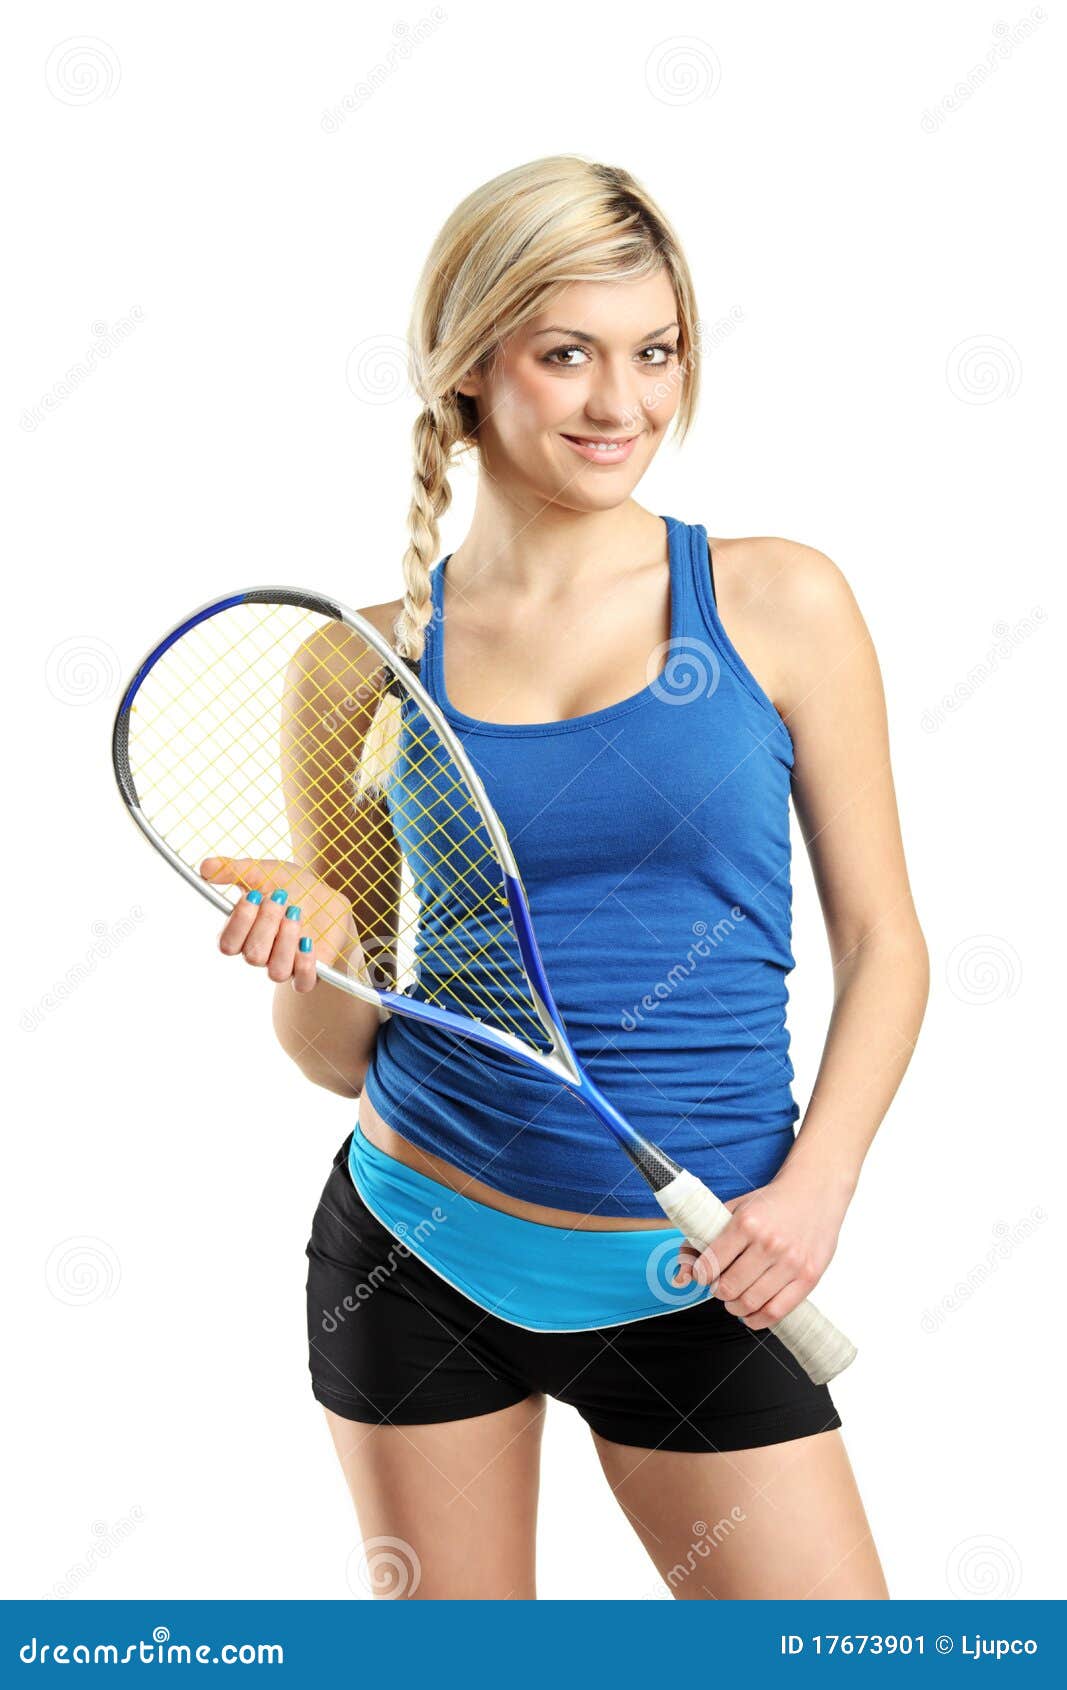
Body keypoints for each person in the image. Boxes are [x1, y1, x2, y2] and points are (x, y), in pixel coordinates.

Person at [208, 156, 928, 1599]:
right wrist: (319, 944)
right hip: (414, 1249)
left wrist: (817, 1190)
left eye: (655, 352)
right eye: (568, 355)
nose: (624, 404)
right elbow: (341, 1051)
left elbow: (885, 940)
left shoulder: (778, 600)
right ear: (470, 370)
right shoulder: (359, 662)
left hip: (702, 1263)